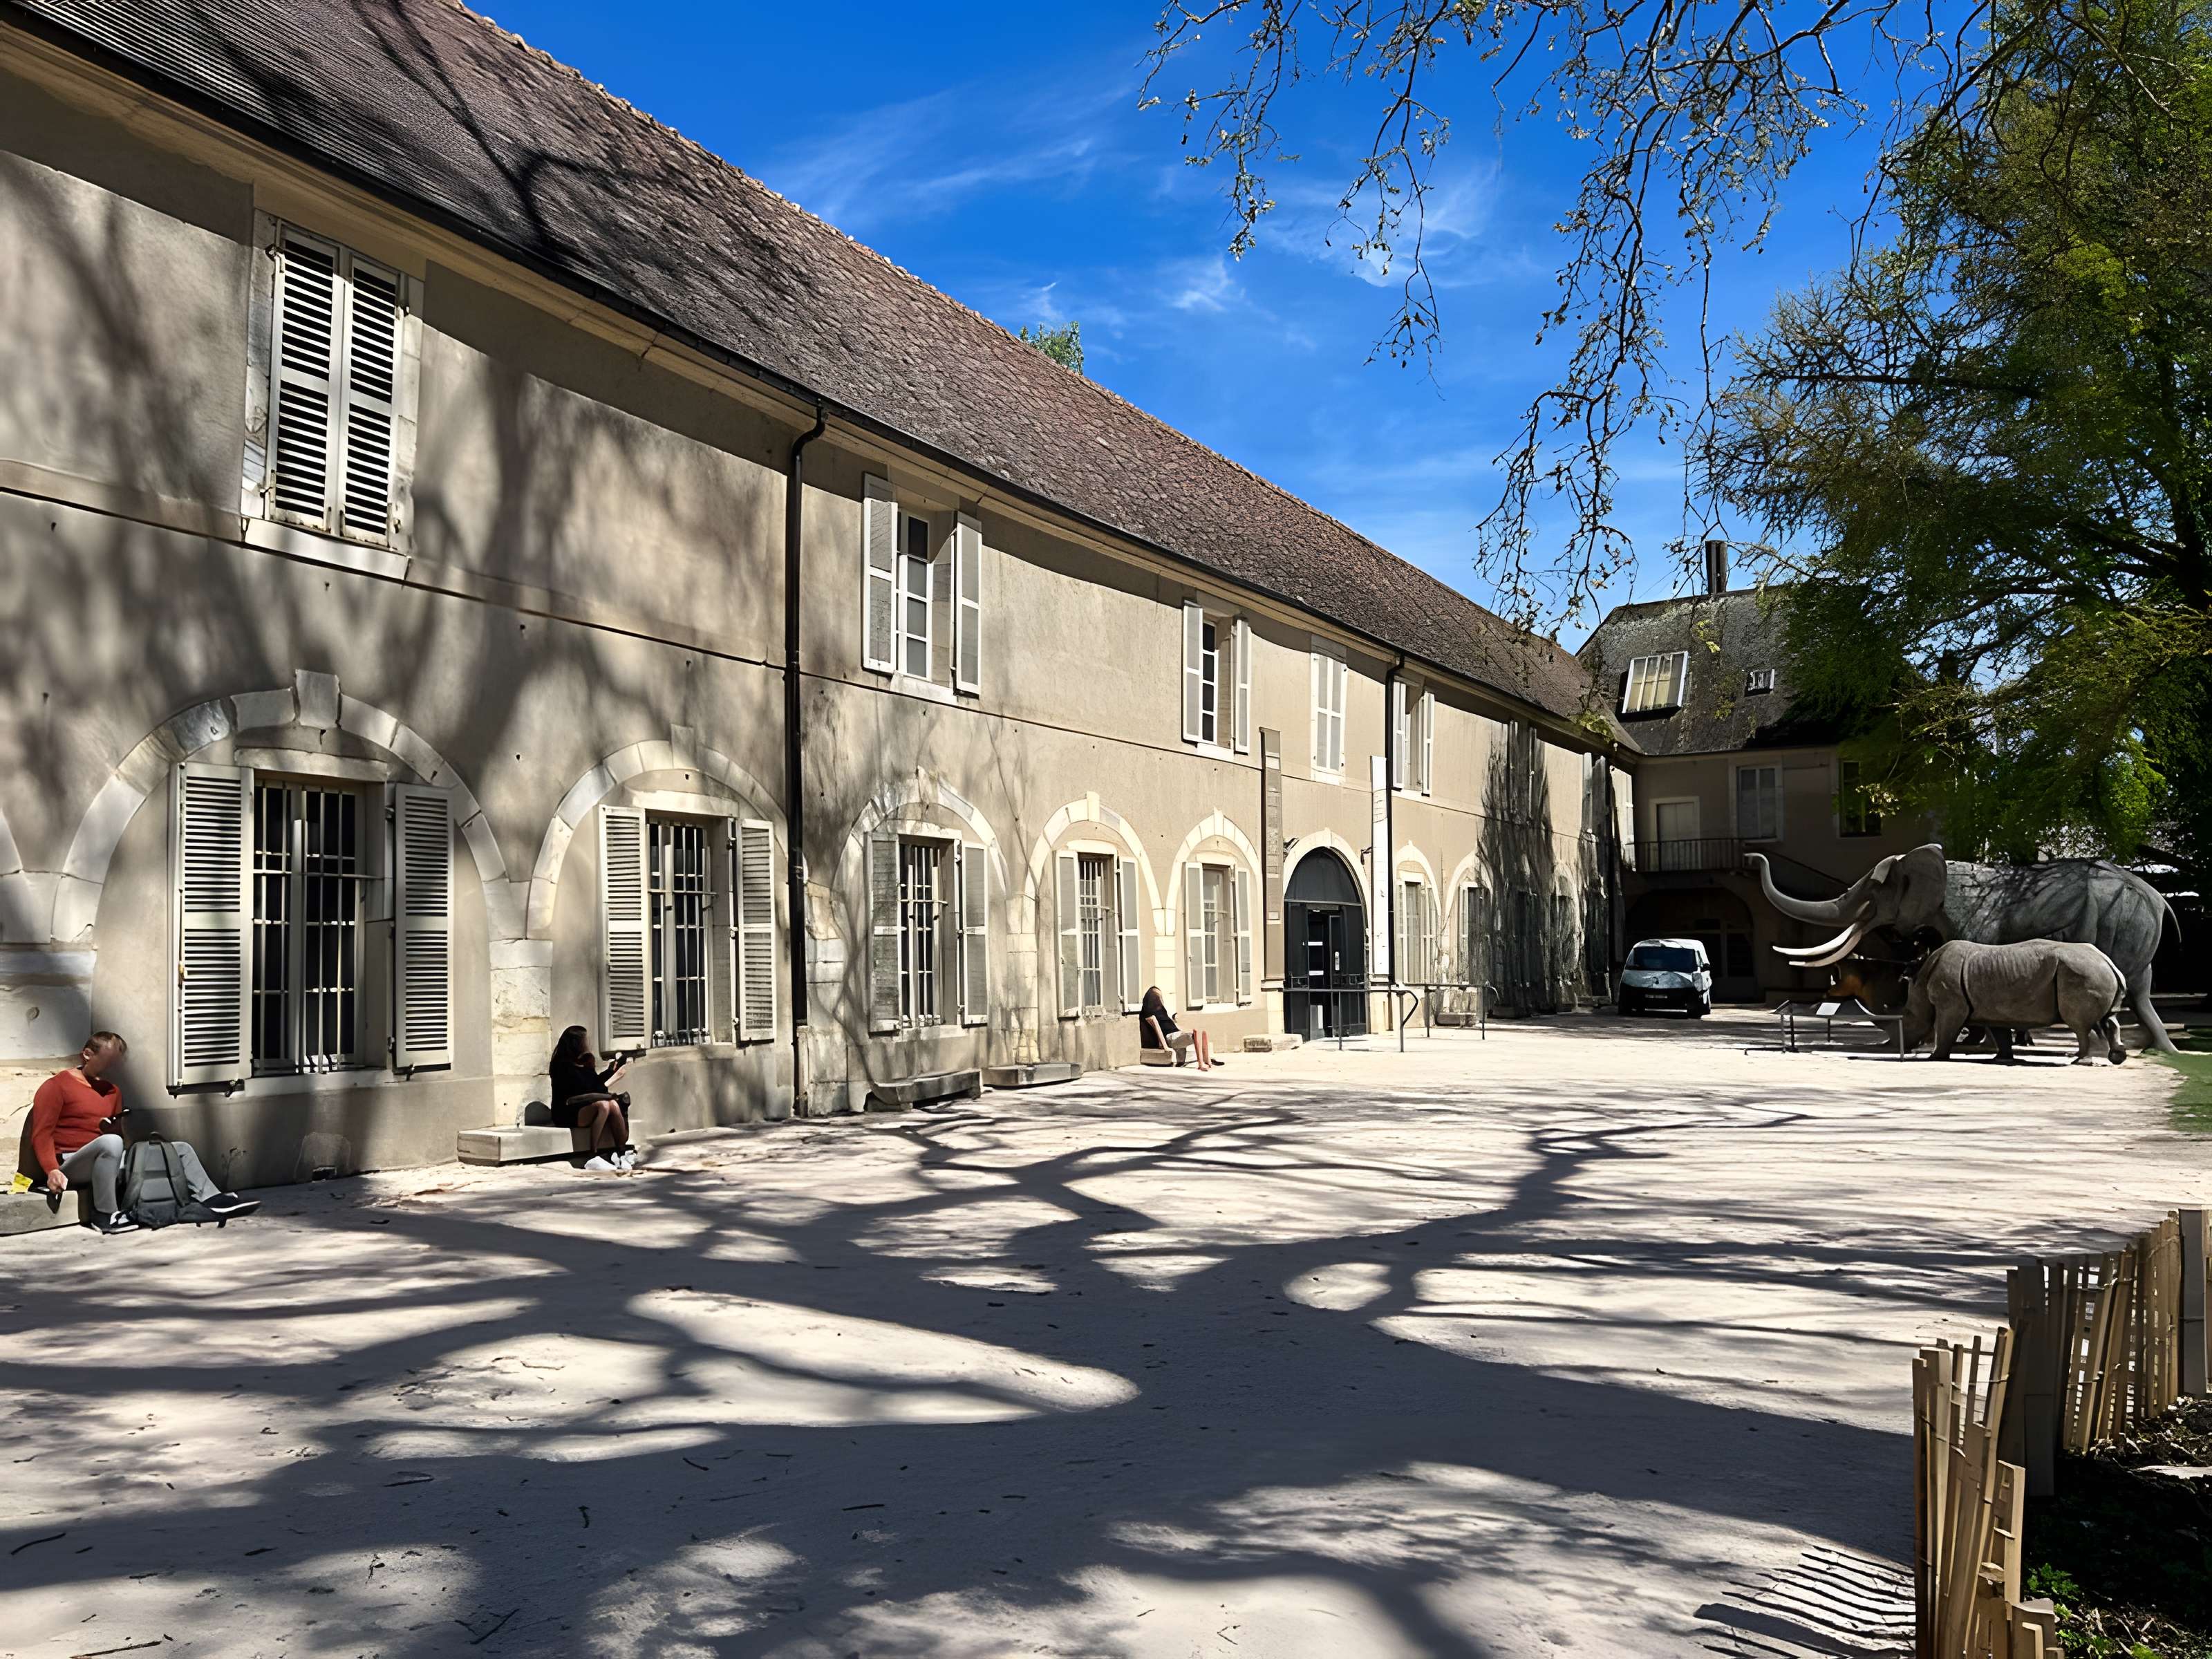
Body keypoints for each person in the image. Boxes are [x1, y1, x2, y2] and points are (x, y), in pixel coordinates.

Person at [30, 1032, 257, 1233]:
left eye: (116, 1064)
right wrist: (51, 1170)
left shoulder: (113, 1091)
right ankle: (106, 1215)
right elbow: (42, 1134)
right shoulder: (56, 1086)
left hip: (108, 1158)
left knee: (180, 1149)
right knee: (110, 1143)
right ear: (88, 1054)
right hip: (70, 1164)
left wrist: (117, 1135)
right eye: (107, 1062)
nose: (112, 1070)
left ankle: (213, 1199)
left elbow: (118, 1139)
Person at [548, 1026, 635, 1171]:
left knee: (613, 1104)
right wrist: (609, 1082)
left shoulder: (585, 1061)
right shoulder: (561, 1065)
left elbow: (595, 1085)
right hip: (568, 1110)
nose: (588, 1043)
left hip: (586, 1105)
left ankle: (621, 1153)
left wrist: (610, 1071)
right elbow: (581, 1090)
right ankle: (592, 1156)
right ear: (576, 1044)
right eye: (585, 1040)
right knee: (604, 1106)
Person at [1137, 986, 1221, 1071]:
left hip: (1176, 1034)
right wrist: (1164, 1046)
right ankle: (1201, 1064)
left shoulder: (1162, 1011)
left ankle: (1208, 1061)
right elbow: (1156, 1029)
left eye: (1159, 996)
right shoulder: (1149, 1014)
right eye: (1156, 996)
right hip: (1171, 1037)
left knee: (1202, 1033)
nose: (1159, 999)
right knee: (1196, 1033)